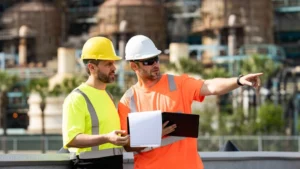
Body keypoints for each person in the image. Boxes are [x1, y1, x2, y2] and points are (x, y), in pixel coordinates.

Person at [118, 35, 262, 169]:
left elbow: (210, 86)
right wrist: (154, 134)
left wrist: (238, 81)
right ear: (134, 66)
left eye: (156, 58)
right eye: (148, 62)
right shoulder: (127, 101)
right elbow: (127, 145)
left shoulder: (178, 84)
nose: (155, 64)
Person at [62, 37, 129, 169]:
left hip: (115, 163)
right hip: (90, 165)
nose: (114, 68)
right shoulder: (77, 98)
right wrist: (107, 138)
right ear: (92, 67)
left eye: (113, 63)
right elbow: (72, 139)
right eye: (108, 64)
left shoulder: (107, 95)